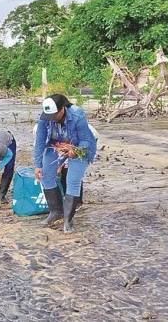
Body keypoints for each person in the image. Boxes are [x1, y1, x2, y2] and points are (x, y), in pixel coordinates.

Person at [33, 94, 96, 233]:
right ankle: (56, 212)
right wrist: (38, 164)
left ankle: (68, 220)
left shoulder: (77, 115)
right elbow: (40, 141)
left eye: (54, 115)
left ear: (62, 110)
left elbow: (85, 140)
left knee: (72, 180)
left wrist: (77, 151)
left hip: (79, 147)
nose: (51, 119)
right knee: (46, 175)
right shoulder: (45, 117)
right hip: (56, 144)